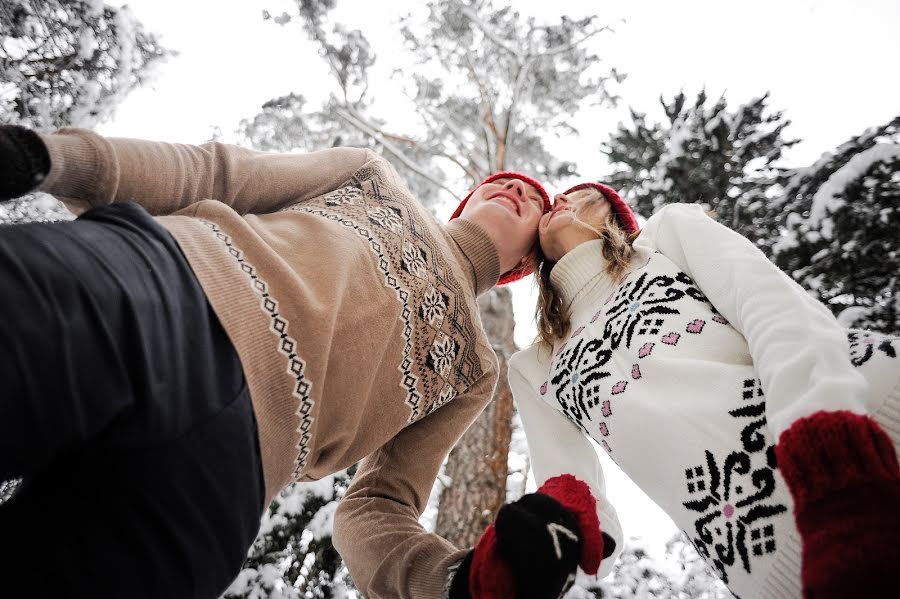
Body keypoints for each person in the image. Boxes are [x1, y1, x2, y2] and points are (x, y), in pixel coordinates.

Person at [0, 123, 590, 599]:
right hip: (163, 288)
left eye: (535, 200)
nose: (519, 190)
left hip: (221, 479)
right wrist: (46, 157)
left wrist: (459, 582)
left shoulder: (474, 373)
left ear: (526, 261)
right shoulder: (371, 177)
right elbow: (219, 172)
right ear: (470, 197)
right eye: (506, 183)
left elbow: (380, 506)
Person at [508, 182, 900, 599]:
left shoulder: (666, 238)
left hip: (875, 421)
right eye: (553, 203)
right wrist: (542, 554)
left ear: (616, 218)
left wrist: (834, 459)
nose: (561, 200)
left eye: (581, 193)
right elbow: (571, 495)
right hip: (769, 564)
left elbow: (775, 309)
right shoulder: (535, 367)